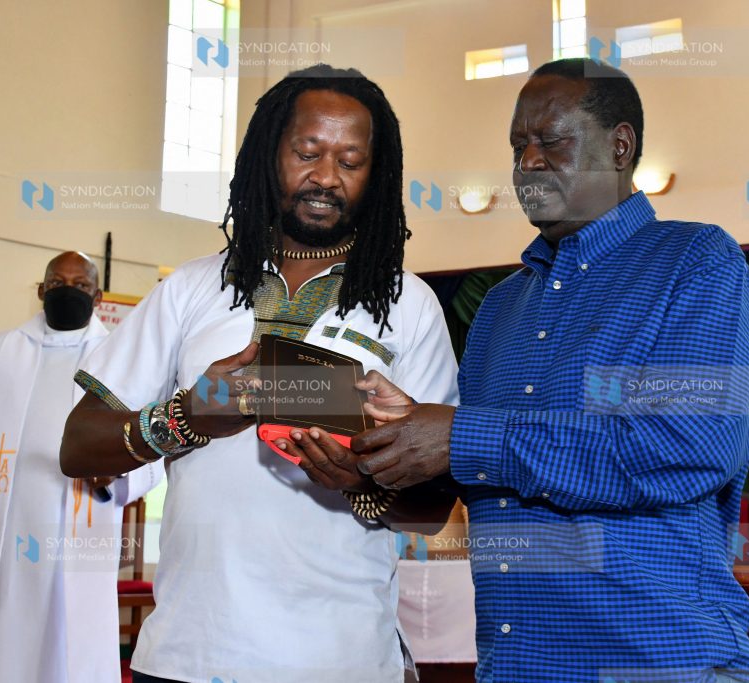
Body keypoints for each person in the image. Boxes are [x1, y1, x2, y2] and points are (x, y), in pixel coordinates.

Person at [350, 58, 749, 682]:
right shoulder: (499, 308)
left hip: (659, 665)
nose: (528, 162)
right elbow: (473, 480)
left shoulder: (696, 262)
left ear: (620, 146)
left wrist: (460, 434)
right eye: (518, 146)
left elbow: (690, 446)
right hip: (514, 665)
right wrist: (381, 452)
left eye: (551, 141)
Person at [59, 64, 459, 683]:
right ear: (268, 155)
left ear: (375, 176)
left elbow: (430, 510)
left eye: (351, 161)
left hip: (344, 656)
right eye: (307, 152)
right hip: (192, 651)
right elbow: (78, 447)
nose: (326, 176)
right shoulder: (191, 287)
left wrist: (360, 476)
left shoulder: (407, 304)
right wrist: (186, 417)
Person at [0, 251, 164, 683]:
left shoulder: (121, 357)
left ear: (98, 294)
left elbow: (152, 448)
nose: (67, 290)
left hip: (80, 528)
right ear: (41, 290)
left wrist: (119, 469)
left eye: (79, 283)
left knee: (69, 647)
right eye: (56, 283)